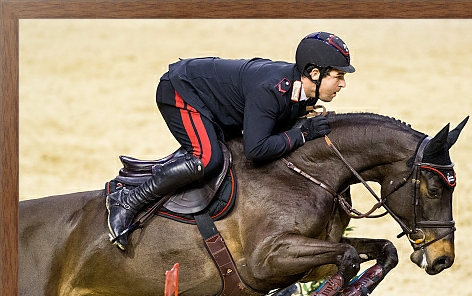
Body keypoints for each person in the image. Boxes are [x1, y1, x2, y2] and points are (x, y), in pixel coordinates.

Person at [106, 31, 355, 250]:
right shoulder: (271, 90)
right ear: (314, 73)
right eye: (338, 76)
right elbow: (256, 149)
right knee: (206, 158)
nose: (342, 83)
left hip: (213, 101)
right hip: (181, 89)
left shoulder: (302, 90)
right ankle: (127, 201)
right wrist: (303, 134)